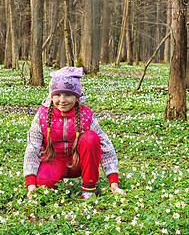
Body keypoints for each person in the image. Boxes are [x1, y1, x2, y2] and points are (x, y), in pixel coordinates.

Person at [23, 67, 126, 199]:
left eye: (68, 95)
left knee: (91, 138)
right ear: (51, 95)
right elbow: (33, 148)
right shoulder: (42, 115)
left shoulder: (85, 114)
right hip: (53, 160)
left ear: (77, 97)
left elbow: (106, 146)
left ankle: (89, 188)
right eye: (57, 95)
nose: (62, 100)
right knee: (43, 185)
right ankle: (53, 182)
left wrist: (114, 183)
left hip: (78, 162)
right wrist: (31, 185)